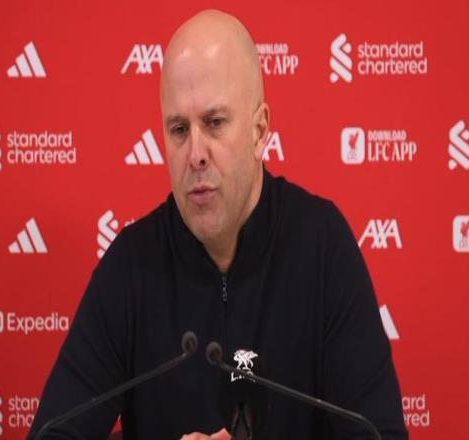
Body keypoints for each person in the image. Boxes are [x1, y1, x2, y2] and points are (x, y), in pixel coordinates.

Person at [28, 9, 408, 440]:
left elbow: (379, 434)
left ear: (259, 131)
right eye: (178, 129)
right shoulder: (130, 265)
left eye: (214, 123)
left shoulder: (322, 246)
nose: (195, 154)